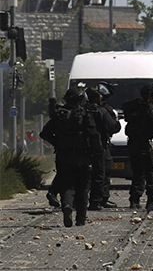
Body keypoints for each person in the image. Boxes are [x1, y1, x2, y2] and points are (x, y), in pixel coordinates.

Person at [40, 87, 102, 227]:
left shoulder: (59, 114)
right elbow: (93, 134)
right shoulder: (85, 114)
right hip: (82, 156)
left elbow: (44, 133)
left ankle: (67, 205)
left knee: (66, 184)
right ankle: (80, 219)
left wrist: (58, 143)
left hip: (63, 155)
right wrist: (97, 151)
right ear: (80, 100)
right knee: (83, 187)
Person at [123, 85, 153, 211]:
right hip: (144, 143)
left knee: (138, 172)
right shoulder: (149, 108)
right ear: (151, 96)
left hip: (133, 143)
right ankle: (152, 200)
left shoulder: (134, 106)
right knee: (152, 171)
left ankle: (134, 200)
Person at [86, 84, 121, 211]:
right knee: (101, 173)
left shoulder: (82, 109)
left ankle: (79, 200)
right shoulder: (102, 110)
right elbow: (114, 127)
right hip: (100, 147)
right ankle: (97, 200)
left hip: (82, 147)